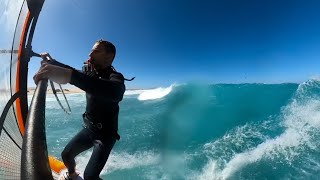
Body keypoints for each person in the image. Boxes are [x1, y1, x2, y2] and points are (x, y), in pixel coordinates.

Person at [34, 39, 126, 180]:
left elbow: (116, 93)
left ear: (109, 56)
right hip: (89, 129)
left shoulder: (115, 77)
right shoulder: (90, 74)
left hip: (106, 136)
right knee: (66, 155)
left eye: (96, 50)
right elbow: (72, 70)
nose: (90, 53)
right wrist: (52, 62)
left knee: (90, 176)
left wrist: (70, 76)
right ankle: (72, 174)